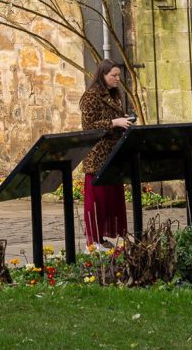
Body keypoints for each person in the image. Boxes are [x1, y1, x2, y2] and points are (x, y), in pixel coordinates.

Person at [79, 58, 133, 249]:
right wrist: (114, 123)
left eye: (118, 75)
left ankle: (110, 237)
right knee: (97, 201)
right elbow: (88, 127)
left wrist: (123, 120)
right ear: (103, 75)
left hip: (113, 155)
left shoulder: (114, 94)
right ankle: (92, 241)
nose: (118, 79)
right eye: (114, 75)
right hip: (98, 157)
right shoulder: (91, 96)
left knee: (114, 200)